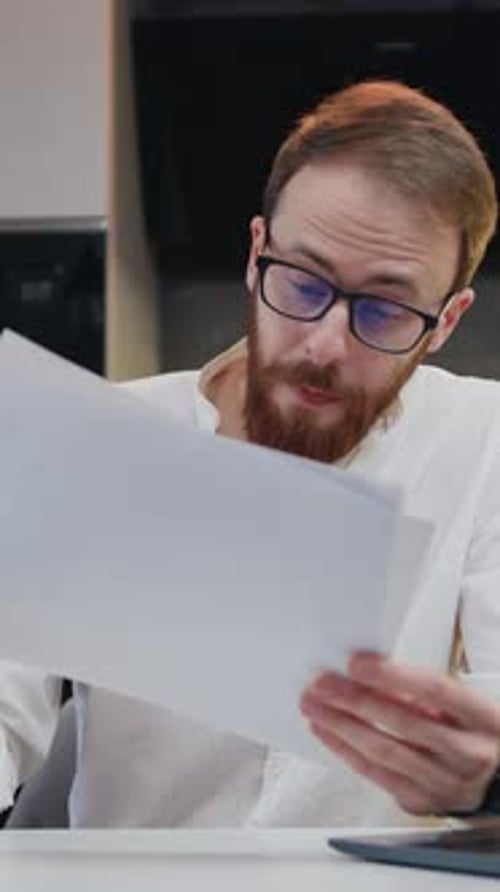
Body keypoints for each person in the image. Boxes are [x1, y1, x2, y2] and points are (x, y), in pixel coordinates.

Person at [2, 78, 500, 827]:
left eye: (385, 309)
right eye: (301, 283)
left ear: (447, 321)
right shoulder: (111, 437)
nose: (325, 345)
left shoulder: (484, 440)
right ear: (257, 251)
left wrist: (487, 779)